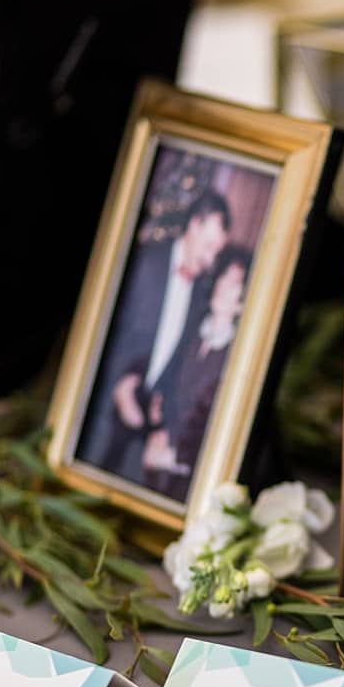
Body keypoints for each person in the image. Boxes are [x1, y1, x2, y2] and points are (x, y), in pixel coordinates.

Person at [80, 188, 230, 487]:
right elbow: (98, 331)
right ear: (194, 226)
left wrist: (162, 418)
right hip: (98, 412)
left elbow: (177, 362)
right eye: (209, 245)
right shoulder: (143, 262)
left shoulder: (202, 294)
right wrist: (120, 386)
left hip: (143, 426)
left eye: (217, 250)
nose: (211, 257)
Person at [140, 245, 250, 500]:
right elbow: (167, 385)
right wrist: (157, 425)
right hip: (155, 466)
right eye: (223, 276)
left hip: (194, 483)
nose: (222, 285)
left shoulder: (235, 358)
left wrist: (174, 457)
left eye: (233, 282)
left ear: (243, 301)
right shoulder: (194, 332)